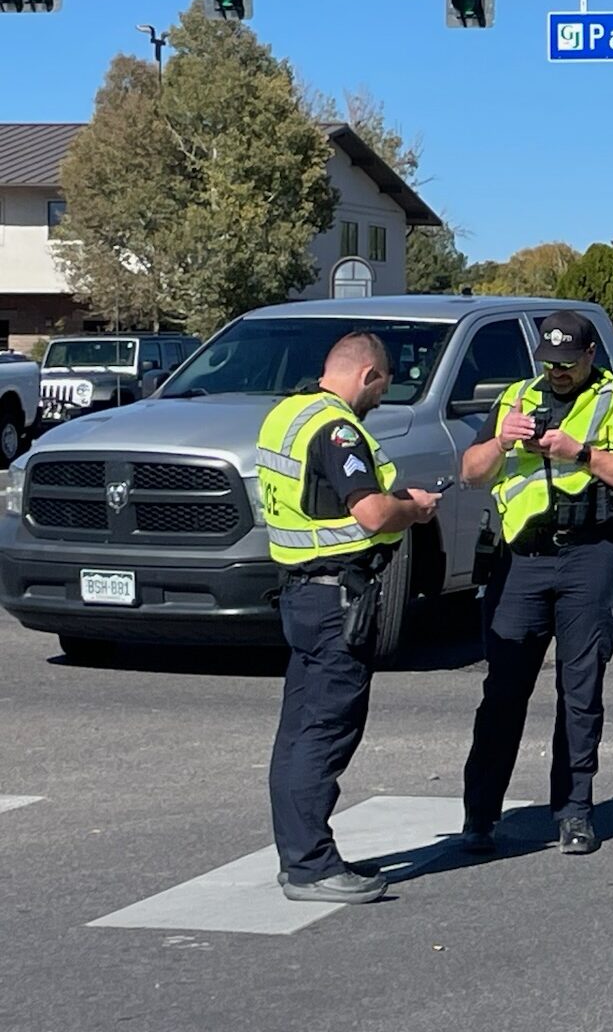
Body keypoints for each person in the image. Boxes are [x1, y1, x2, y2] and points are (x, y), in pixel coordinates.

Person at [457, 311, 613, 856]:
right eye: (551, 363)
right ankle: (479, 814)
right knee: (503, 691)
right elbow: (470, 473)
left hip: (593, 554)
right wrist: (501, 442)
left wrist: (583, 454)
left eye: (569, 363)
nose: (559, 373)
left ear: (590, 355)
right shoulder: (515, 398)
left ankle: (574, 812)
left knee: (580, 691)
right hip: (522, 559)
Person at [260, 331, 440, 904]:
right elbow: (370, 511)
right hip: (334, 598)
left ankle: (298, 855)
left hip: (299, 594)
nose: (381, 398)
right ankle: (312, 866)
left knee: (299, 731)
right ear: (368, 376)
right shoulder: (337, 428)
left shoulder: (285, 414)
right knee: (326, 729)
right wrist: (412, 508)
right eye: (383, 385)